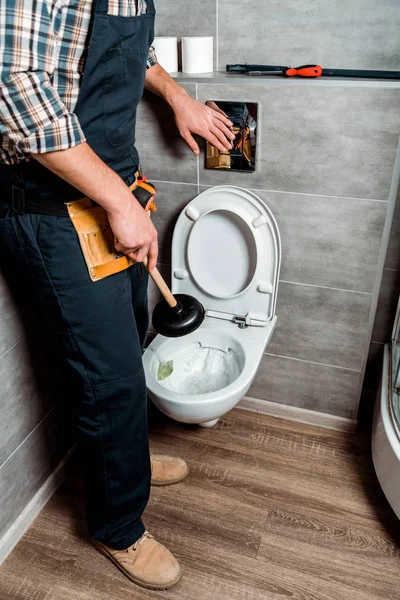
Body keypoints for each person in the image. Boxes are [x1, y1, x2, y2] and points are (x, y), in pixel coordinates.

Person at [0, 0, 235, 591]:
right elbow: (18, 95)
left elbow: (127, 52)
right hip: (57, 211)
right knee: (109, 378)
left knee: (132, 341)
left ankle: (125, 461)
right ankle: (117, 526)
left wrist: (176, 95)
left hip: (114, 191)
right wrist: (118, 202)